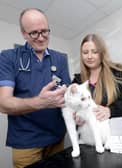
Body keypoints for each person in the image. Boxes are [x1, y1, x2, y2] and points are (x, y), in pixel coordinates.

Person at [0, 8, 71, 168]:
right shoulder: (8, 57)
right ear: (24, 33)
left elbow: (66, 96)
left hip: (57, 139)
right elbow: (3, 104)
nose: (41, 37)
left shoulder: (59, 59)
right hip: (26, 143)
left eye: (44, 31)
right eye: (34, 33)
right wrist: (40, 102)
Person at [72, 33, 122, 122]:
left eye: (95, 52)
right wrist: (76, 116)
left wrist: (111, 111)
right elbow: (71, 109)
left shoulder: (121, 74)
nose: (89, 56)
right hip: (88, 135)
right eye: (85, 52)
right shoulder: (77, 82)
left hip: (118, 134)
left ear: (102, 53)